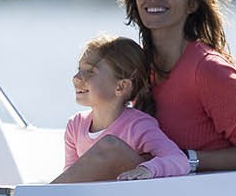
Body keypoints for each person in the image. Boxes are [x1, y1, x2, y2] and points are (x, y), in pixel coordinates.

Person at [59, 0, 236, 182]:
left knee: (111, 148)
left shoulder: (209, 69)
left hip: (197, 194)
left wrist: (184, 159)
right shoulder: (136, 65)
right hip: (144, 190)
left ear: (192, 2)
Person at [50, 35, 188, 183]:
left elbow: (179, 160)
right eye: (79, 69)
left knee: (109, 145)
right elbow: (70, 177)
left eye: (89, 71)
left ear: (121, 86)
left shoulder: (138, 126)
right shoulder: (75, 125)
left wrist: (147, 169)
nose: (76, 78)